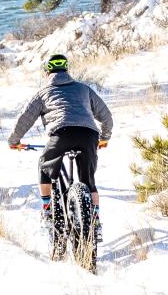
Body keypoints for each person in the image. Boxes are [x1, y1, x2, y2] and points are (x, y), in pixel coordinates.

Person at [8, 54, 112, 238]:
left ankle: (48, 210)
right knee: (89, 182)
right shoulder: (83, 89)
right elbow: (106, 116)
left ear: (47, 72)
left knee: (45, 167)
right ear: (67, 70)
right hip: (88, 135)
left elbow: (24, 119)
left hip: (61, 134)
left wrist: (14, 141)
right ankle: (95, 222)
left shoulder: (43, 93)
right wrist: (104, 138)